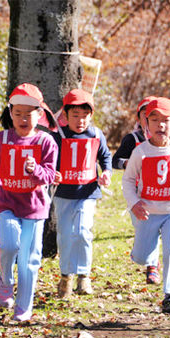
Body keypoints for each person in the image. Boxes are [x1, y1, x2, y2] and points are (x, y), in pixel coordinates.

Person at [0, 83, 58, 321]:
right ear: (10, 113)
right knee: (8, 246)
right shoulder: (2, 139)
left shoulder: (46, 142)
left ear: (40, 114)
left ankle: (24, 307)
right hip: (8, 203)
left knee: (29, 258)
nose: (23, 118)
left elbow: (49, 176)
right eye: (17, 113)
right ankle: (5, 281)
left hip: (35, 208)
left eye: (29, 113)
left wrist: (35, 169)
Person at [122, 97, 170, 314]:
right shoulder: (141, 151)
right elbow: (128, 180)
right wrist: (134, 203)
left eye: (166, 120)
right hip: (148, 212)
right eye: (155, 120)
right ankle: (142, 256)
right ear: (146, 125)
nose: (161, 125)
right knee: (143, 257)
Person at [51, 88, 112, 298]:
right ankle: (66, 276)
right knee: (66, 235)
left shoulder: (96, 134)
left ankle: (84, 276)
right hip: (63, 193)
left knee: (84, 232)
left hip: (87, 191)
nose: (80, 120)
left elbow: (105, 157)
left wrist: (107, 173)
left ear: (91, 116)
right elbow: (48, 160)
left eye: (85, 115)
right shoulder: (57, 136)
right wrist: (53, 173)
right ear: (65, 116)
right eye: (75, 115)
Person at [112, 96, 162, 285]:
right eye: (146, 115)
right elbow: (115, 160)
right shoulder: (132, 139)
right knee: (142, 227)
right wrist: (127, 163)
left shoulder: (168, 140)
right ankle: (147, 256)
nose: (151, 119)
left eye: (156, 115)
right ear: (139, 118)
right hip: (137, 193)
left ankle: (153, 267)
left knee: (155, 228)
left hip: (159, 192)